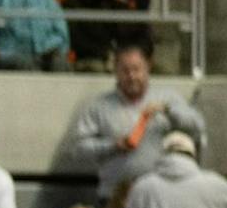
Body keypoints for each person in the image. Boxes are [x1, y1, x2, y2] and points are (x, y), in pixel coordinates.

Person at [65, 42, 211, 199]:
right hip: (115, 197)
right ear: (115, 71)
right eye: (125, 70)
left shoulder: (168, 99)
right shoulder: (99, 106)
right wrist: (113, 146)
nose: (131, 76)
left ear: (148, 67)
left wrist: (168, 110)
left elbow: (198, 127)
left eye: (136, 69)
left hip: (160, 196)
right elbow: (78, 150)